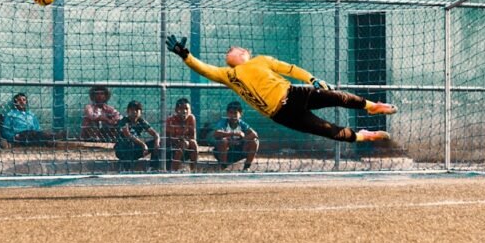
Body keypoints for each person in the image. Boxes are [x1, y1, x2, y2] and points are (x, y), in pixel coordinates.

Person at [166, 35, 396, 145]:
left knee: (336, 96)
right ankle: (362, 136)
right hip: (281, 114)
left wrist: (313, 79)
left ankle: (371, 106)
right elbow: (204, 68)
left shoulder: (261, 60)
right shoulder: (228, 75)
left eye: (232, 48)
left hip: (293, 94)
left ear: (244, 53)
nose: (228, 50)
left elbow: (291, 69)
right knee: (326, 129)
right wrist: (184, 54)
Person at [114, 100, 161, 170]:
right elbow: (128, 135)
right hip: (123, 149)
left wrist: (157, 142)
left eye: (137, 110)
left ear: (140, 112)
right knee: (129, 143)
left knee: (157, 143)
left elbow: (155, 134)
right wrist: (143, 144)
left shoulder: (141, 121)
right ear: (127, 111)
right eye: (132, 110)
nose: (134, 112)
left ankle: (153, 167)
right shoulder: (124, 121)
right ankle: (126, 169)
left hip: (136, 148)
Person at [213, 101, 259, 171]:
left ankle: (246, 167)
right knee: (223, 141)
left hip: (238, 152)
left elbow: (254, 134)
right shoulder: (223, 122)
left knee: (255, 142)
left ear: (240, 114)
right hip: (224, 152)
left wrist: (240, 141)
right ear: (227, 113)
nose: (233, 116)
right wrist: (233, 134)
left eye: (235, 113)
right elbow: (216, 133)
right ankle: (224, 167)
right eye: (231, 113)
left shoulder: (242, 124)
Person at [165, 97, 198, 171]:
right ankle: (173, 170)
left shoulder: (191, 118)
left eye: (187, 109)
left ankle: (194, 170)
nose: (184, 111)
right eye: (181, 109)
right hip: (171, 149)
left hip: (186, 147)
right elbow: (169, 139)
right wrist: (180, 139)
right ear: (176, 110)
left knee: (193, 143)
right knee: (184, 143)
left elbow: (193, 137)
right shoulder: (171, 120)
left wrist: (184, 140)